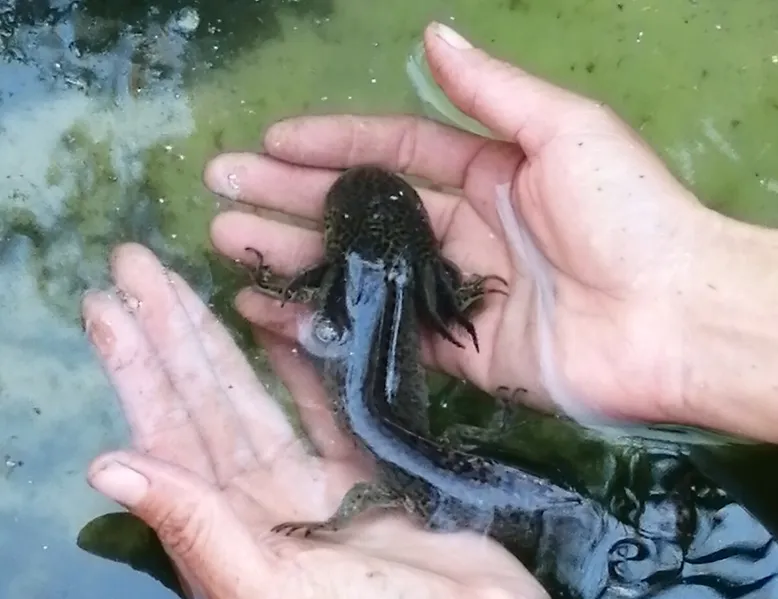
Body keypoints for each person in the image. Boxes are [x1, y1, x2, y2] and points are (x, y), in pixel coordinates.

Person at [81, 21, 778, 599]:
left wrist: (333, 526)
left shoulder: (340, 292)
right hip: (407, 443)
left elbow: (307, 305)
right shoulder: (404, 288)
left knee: (431, 469)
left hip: (399, 443)